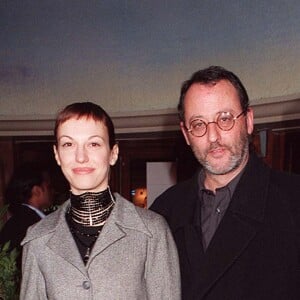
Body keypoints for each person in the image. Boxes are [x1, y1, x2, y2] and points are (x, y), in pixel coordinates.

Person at [150, 66, 300, 300]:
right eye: (199, 124)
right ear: (186, 134)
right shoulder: (164, 211)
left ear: (248, 121)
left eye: (225, 119)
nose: (213, 136)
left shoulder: (293, 201)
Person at [20, 102, 181, 299]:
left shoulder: (151, 231)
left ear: (113, 153)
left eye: (94, 144)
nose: (81, 157)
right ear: (57, 155)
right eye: (68, 144)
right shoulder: (38, 239)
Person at [0, 163, 53, 267]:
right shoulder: (36, 225)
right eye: (48, 186)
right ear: (37, 191)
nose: (53, 191)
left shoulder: (15, 222)